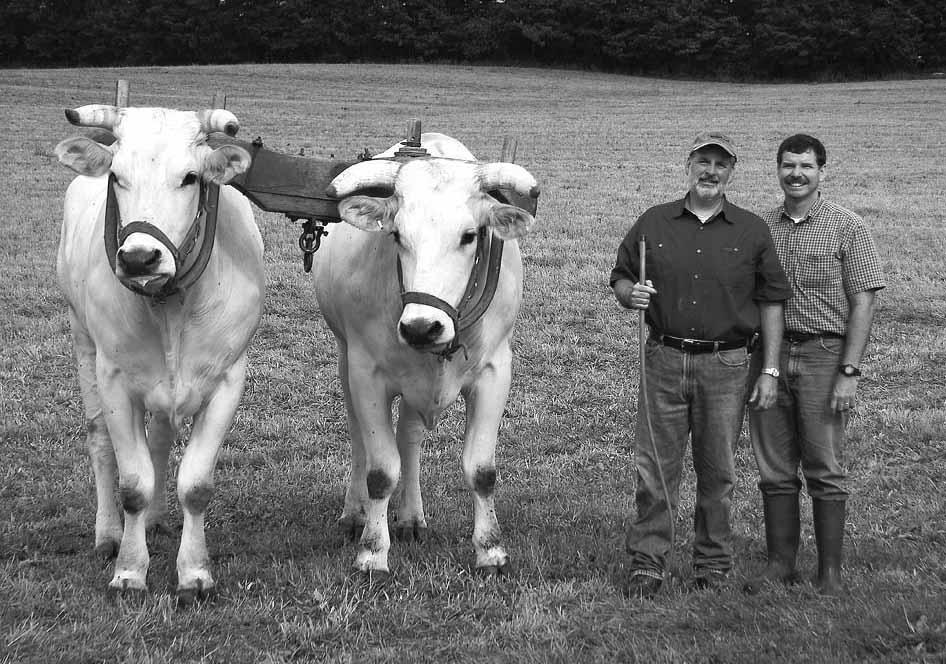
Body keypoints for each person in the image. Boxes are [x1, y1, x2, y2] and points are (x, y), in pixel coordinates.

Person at [610, 132, 792, 598]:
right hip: (664, 358)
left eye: (720, 164)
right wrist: (631, 295)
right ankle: (648, 562)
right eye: (703, 161)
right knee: (655, 468)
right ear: (687, 165)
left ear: (732, 172)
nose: (711, 171)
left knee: (718, 470)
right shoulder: (653, 222)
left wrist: (769, 370)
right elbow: (621, 275)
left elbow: (772, 301)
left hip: (727, 364)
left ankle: (712, 563)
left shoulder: (751, 230)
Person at [743, 134, 885, 597]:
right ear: (778, 170)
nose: (796, 174)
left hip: (825, 355)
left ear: (822, 171)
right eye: (788, 165)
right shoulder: (761, 227)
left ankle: (830, 572)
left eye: (806, 166)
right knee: (774, 465)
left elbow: (862, 303)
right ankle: (780, 563)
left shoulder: (848, 227)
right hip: (770, 357)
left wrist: (849, 371)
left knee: (824, 464)